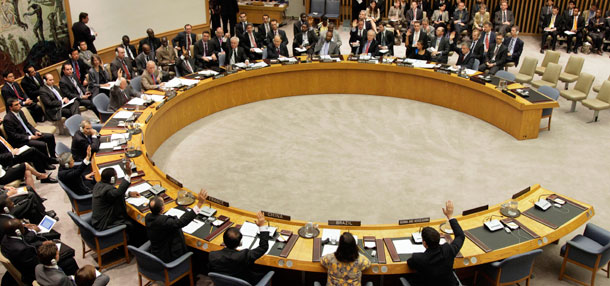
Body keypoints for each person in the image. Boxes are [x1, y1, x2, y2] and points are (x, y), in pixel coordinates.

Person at [404, 201, 464, 286]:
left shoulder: (418, 258)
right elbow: (460, 236)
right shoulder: (448, 250)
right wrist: (450, 216)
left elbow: (410, 263)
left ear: (424, 243)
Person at [1, 219, 79, 285]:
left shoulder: (6, 238)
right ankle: (79, 281)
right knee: (70, 260)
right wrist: (50, 252)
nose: (24, 227)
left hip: (24, 264)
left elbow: (26, 243)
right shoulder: (23, 250)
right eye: (22, 226)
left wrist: (42, 244)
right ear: (17, 231)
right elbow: (39, 264)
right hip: (33, 273)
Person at [146, 189, 207, 262]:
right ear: (162, 208)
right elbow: (181, 222)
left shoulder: (148, 217)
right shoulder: (164, 222)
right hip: (168, 256)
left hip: (156, 252)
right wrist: (199, 203)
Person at [209, 211, 270, 284]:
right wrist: (262, 226)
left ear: (224, 241)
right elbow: (263, 247)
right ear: (240, 243)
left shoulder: (212, 255)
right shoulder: (244, 256)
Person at [91, 161, 144, 244]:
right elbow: (117, 193)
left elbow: (114, 195)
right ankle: (132, 244)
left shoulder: (99, 185)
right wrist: (128, 175)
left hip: (97, 220)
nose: (117, 177)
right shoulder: (108, 191)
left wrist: (129, 194)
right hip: (104, 223)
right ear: (112, 179)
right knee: (132, 224)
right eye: (116, 175)